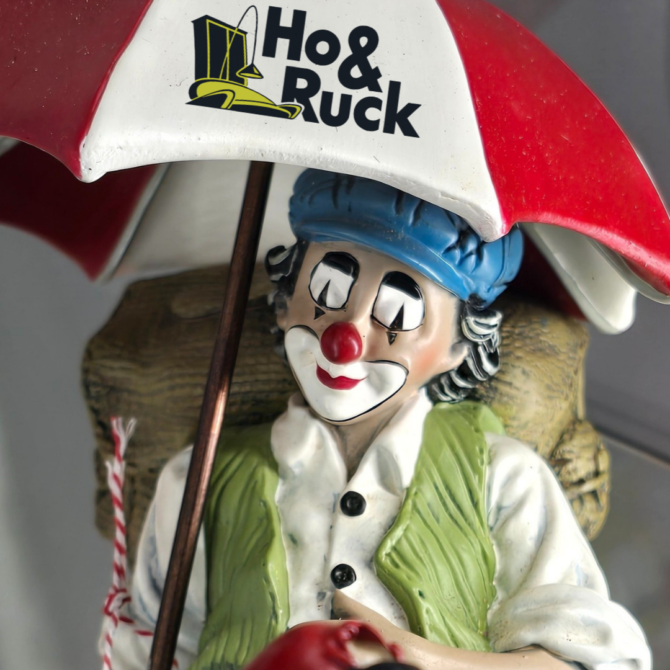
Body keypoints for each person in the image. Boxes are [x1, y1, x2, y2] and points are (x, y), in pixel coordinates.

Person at [104, 170, 651, 670]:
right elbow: (142, 650)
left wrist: (412, 654)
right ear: (285, 301)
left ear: (457, 348)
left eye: (398, 312)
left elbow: (596, 662)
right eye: (328, 290)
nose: (346, 337)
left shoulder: (502, 479)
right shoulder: (196, 481)